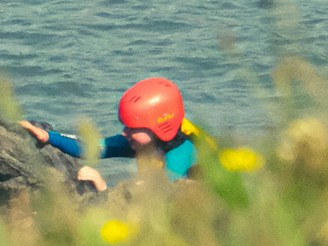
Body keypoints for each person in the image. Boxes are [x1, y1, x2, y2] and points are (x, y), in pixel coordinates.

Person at [20, 77, 199, 192]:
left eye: (133, 128)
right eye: (125, 126)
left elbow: (148, 200)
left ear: (160, 127)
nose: (124, 133)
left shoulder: (181, 155)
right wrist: (47, 136)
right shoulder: (147, 140)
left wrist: (103, 186)